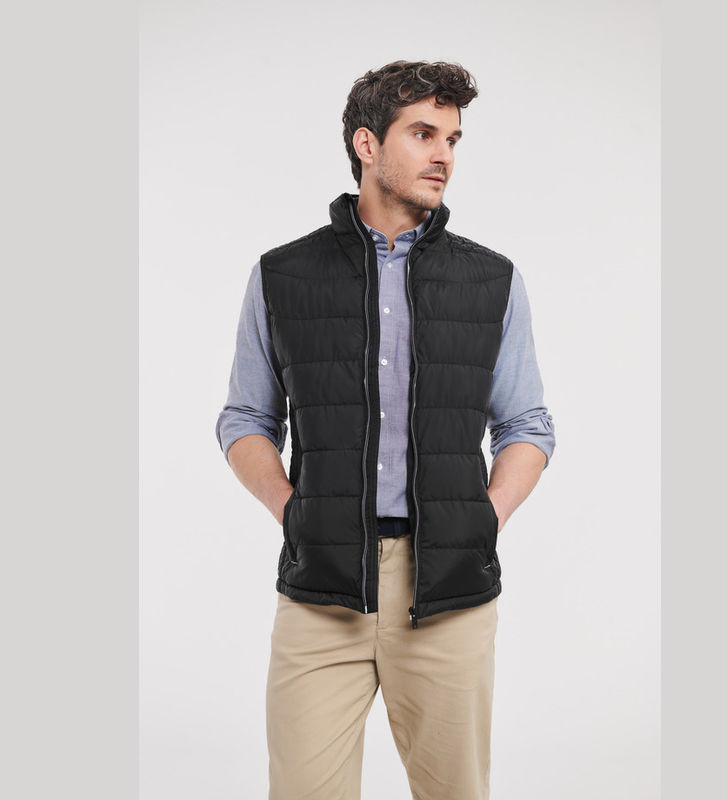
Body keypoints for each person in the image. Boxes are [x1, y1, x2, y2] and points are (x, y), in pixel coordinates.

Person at [215, 59, 556, 800]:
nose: (444, 156)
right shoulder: (283, 275)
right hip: (320, 590)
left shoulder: (491, 280)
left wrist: (484, 517)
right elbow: (246, 418)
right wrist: (292, 510)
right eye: (423, 134)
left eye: (453, 139)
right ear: (367, 144)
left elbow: (526, 424)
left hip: (448, 594)